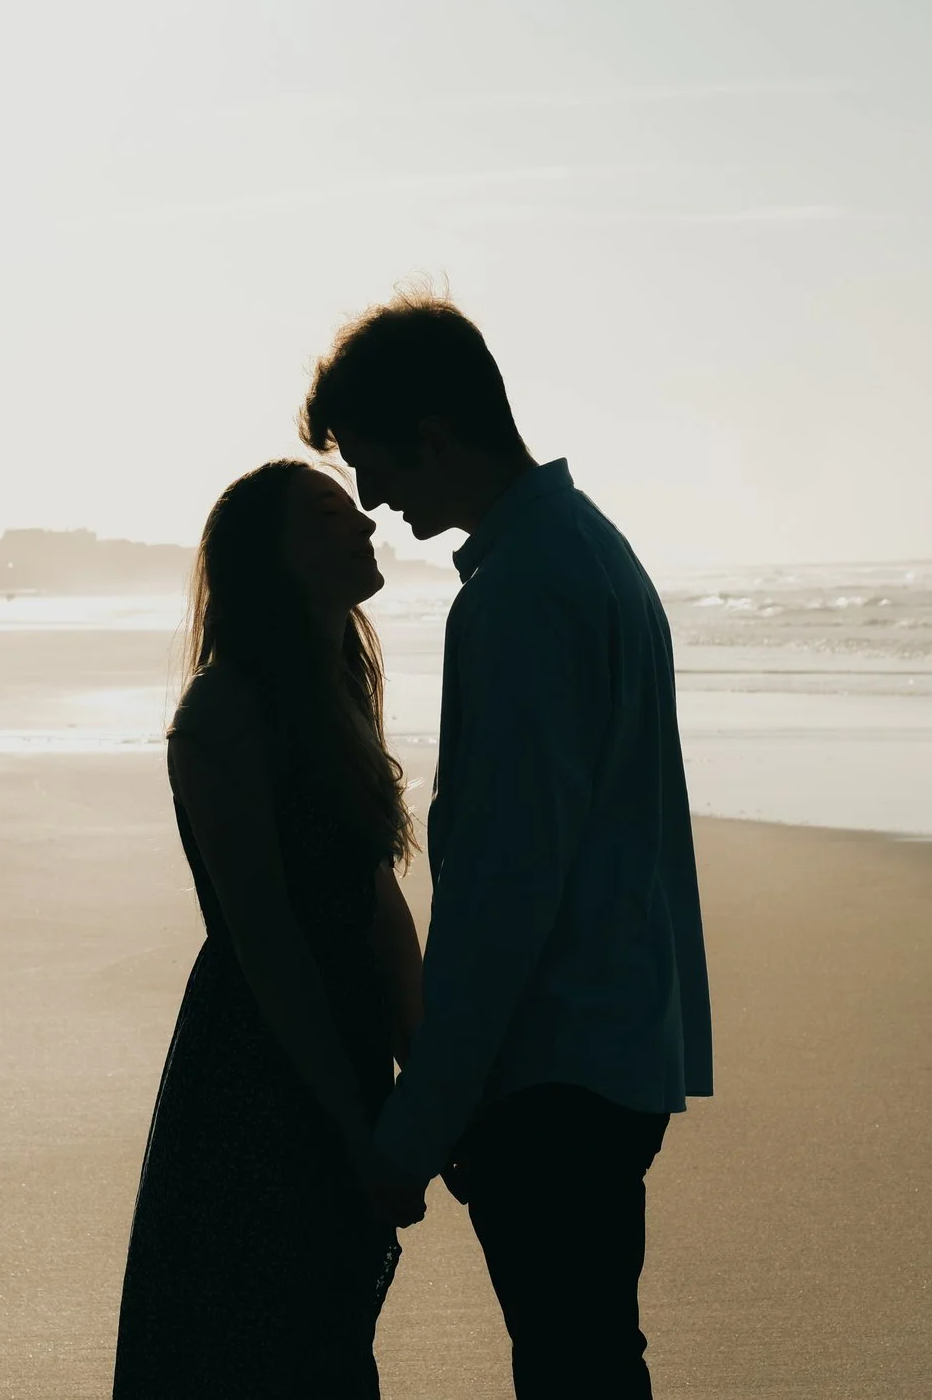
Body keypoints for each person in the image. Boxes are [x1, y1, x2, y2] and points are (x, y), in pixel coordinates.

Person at [302, 292, 714, 1400]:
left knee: (574, 1366)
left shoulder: (524, 593)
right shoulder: (591, 553)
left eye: (371, 460)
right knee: (589, 1354)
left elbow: (503, 895)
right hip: (615, 1050)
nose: (373, 496)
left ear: (433, 433)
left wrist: (417, 1124)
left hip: (554, 1072)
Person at [111, 460, 427, 1399]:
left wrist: (430, 1074)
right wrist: (353, 1128)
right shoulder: (221, 712)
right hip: (265, 1067)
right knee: (260, 1348)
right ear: (273, 561)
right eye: (333, 517)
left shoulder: (340, 689)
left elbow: (376, 897)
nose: (367, 524)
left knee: (325, 1337)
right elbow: (268, 944)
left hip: (348, 1051)